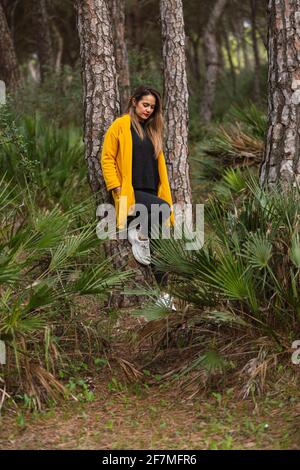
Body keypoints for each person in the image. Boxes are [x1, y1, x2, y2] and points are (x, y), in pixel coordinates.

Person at [101, 84, 175, 288]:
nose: (148, 110)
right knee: (164, 208)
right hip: (131, 192)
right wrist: (116, 187)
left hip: (151, 191)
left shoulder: (153, 131)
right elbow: (107, 158)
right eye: (145, 104)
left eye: (152, 107)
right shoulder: (121, 125)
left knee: (159, 246)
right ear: (134, 102)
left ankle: (164, 295)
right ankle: (137, 232)